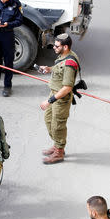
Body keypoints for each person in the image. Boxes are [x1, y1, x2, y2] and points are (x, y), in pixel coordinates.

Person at [39, 33, 79, 164]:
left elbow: (67, 87)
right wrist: (49, 69)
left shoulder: (70, 63)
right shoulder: (63, 56)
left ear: (65, 46)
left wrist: (49, 101)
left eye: (57, 46)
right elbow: (58, 68)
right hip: (54, 94)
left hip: (61, 98)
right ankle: (57, 145)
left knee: (58, 126)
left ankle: (59, 152)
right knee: (48, 120)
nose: (54, 48)